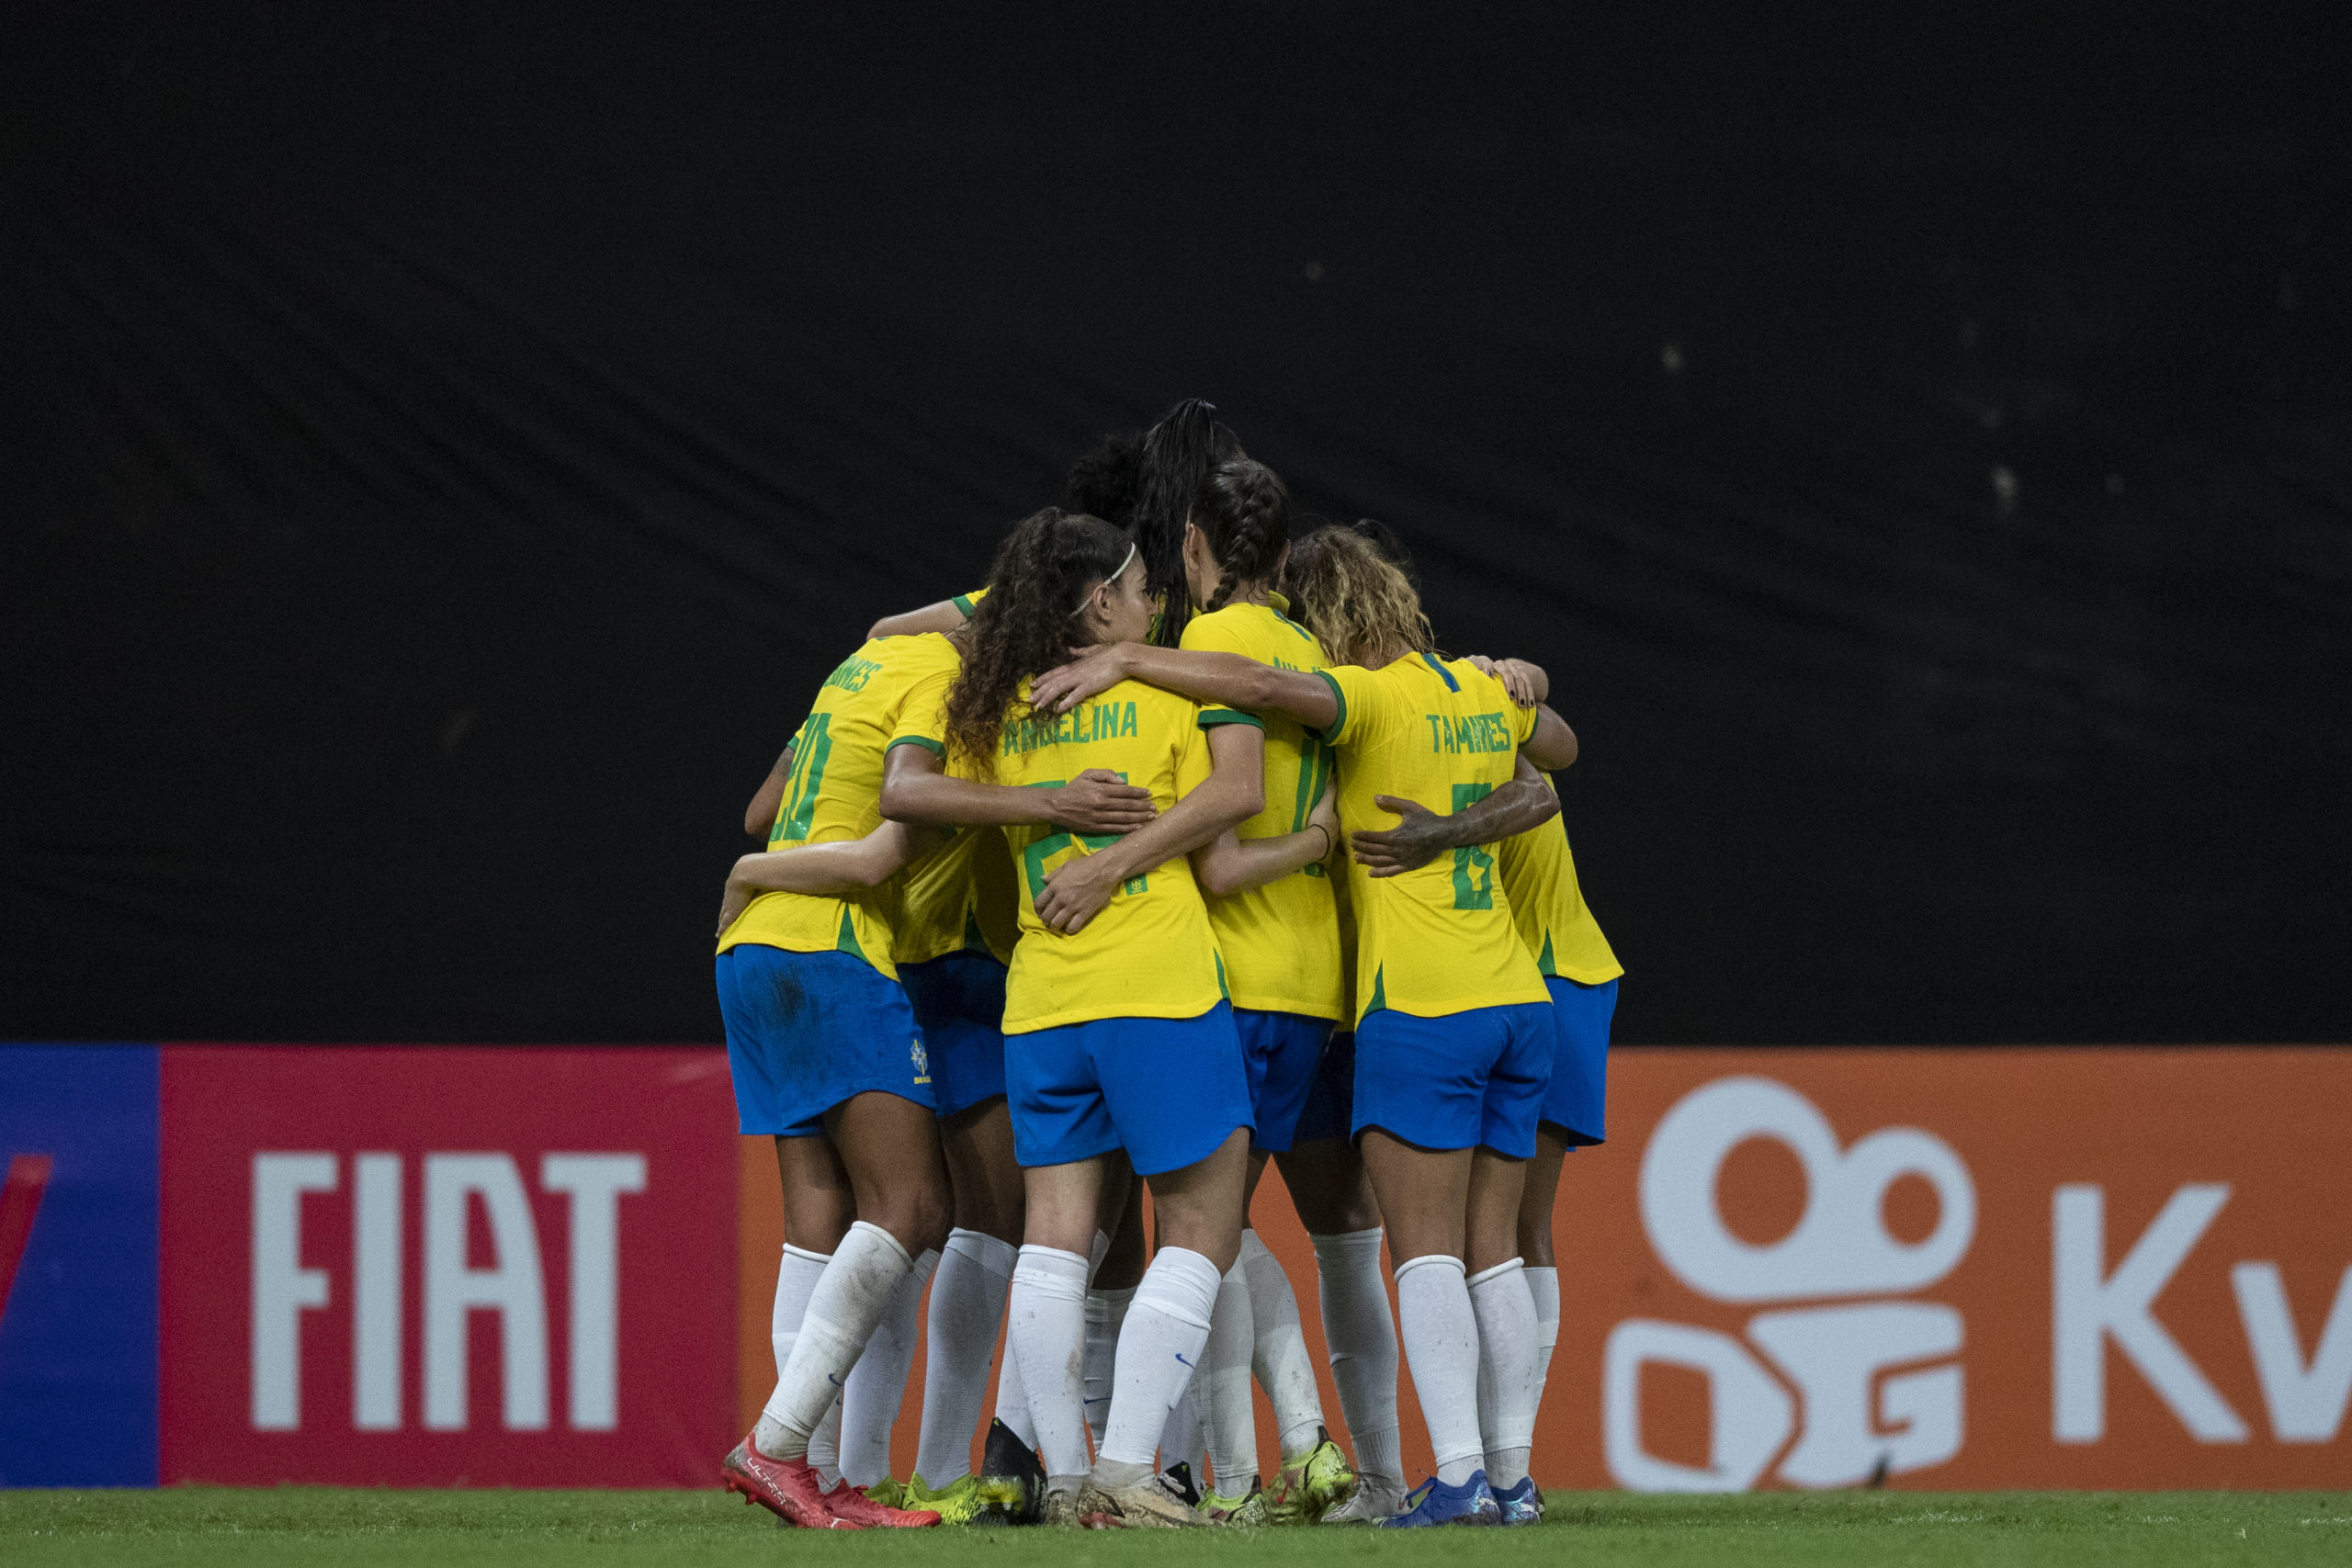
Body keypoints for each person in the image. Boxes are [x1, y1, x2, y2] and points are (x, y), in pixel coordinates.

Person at [1026, 524, 1580, 1529]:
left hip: (1410, 1005)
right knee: (1488, 1249)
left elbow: (1269, 694)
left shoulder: (1362, 699)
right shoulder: (1475, 689)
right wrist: (1514, 685)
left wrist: (1129, 656)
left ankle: (1420, 1476)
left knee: (1393, 1252)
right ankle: (1506, 1479)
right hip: (1516, 1001)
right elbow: (1555, 764)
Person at [882, 506, 1279, 1528]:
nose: (1155, 603)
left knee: (1053, 1244)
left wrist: (1048, 806)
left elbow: (915, 790)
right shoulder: (1171, 685)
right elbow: (1241, 787)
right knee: (1201, 1227)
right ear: (1100, 602)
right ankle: (1134, 1467)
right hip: (1159, 989)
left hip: (1044, 1000)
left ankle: (1062, 1477)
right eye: (1141, 588)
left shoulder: (1004, 703)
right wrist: (1111, 855)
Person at [715, 628, 1155, 1530]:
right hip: (878, 954)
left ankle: (834, 1470)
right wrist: (1044, 802)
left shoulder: (856, 671)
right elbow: (888, 827)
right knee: (928, 1211)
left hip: (764, 949)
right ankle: (805, 1449)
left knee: (824, 1224)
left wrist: (756, 865)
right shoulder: (953, 694)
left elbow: (765, 811)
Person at [1162, 458, 1362, 1525]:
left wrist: (1304, 840)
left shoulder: (1211, 644)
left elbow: (1225, 860)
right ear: (1283, 556)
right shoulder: (1309, 652)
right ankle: (1276, 1457)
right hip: (1311, 982)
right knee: (1220, 1231)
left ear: (1196, 546)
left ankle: (1255, 1467)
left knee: (1199, 1235)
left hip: (1232, 976)